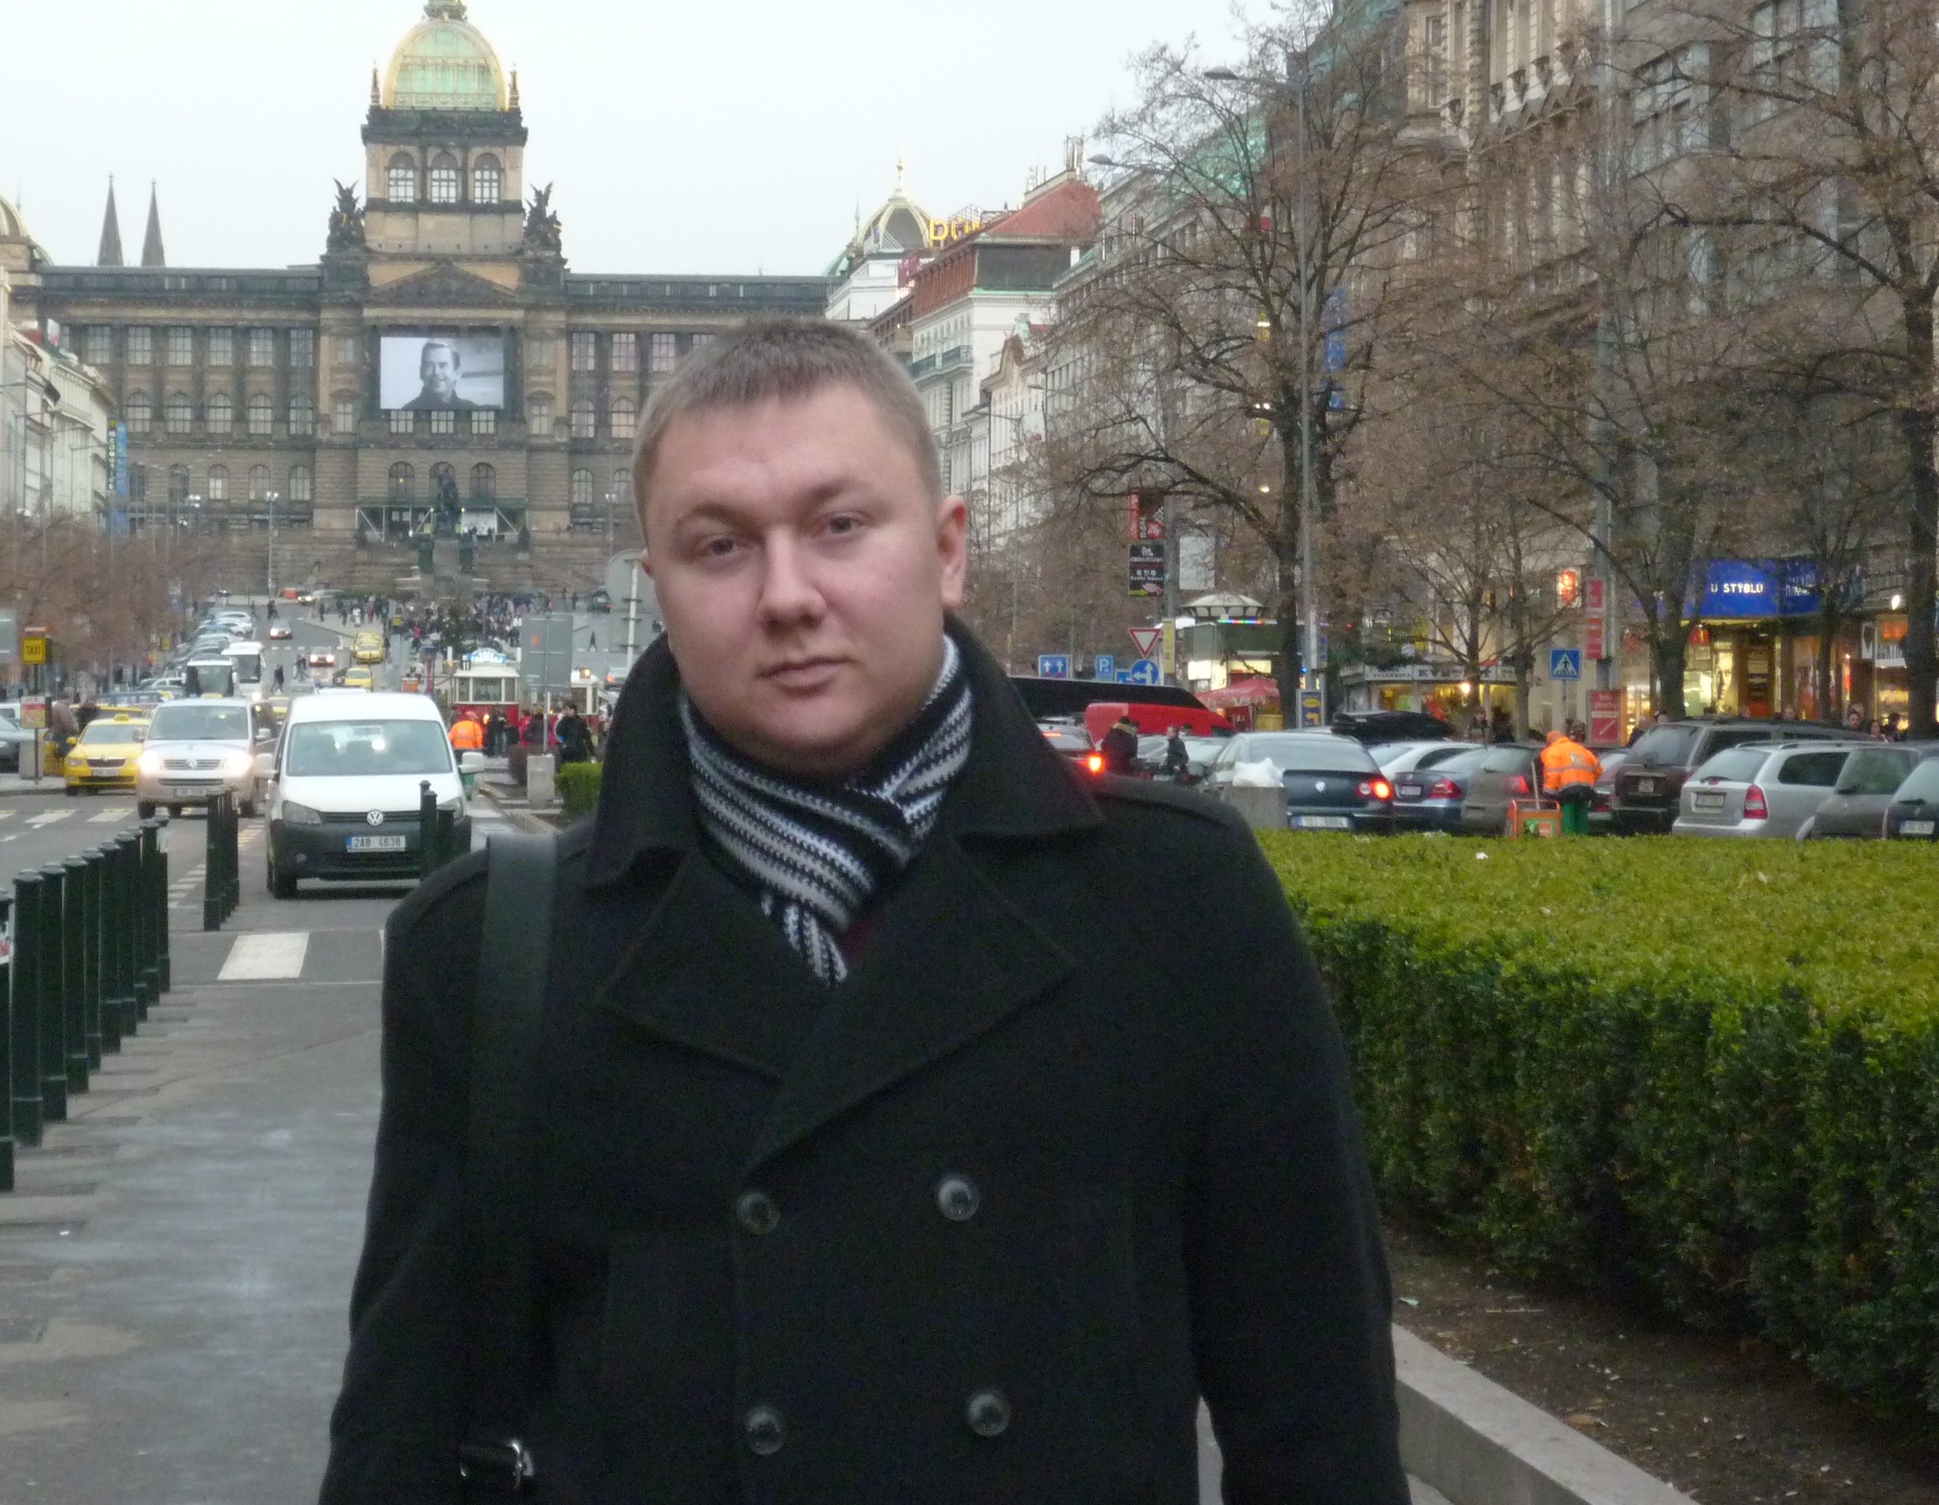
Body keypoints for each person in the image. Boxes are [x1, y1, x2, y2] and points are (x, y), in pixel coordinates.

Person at [320, 319, 1408, 1504]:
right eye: (720, 546)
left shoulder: (1175, 903)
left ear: (947, 551)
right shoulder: (493, 953)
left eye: (839, 525)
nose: (787, 596)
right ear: (656, 585)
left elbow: (1320, 1432)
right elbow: (399, 1448)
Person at [1540, 720, 1601, 837]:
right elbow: (1598, 769)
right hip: (1585, 789)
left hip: (1567, 791)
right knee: (1581, 816)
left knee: (1568, 817)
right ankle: (1582, 840)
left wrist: (1549, 793)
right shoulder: (1581, 749)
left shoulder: (1554, 751)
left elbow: (1553, 773)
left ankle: (1569, 841)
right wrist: (1588, 780)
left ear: (1549, 742)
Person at [402, 338, 484, 414]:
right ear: (421, 372)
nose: (436, 372)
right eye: (428, 366)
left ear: (457, 373)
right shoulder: (408, 411)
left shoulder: (472, 410)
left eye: (442, 365)